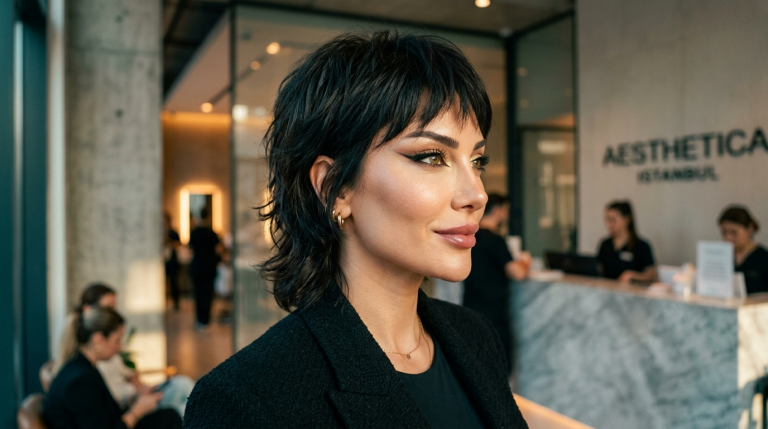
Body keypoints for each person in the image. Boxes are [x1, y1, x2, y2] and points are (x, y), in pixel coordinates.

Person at [184, 31, 528, 428]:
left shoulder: (475, 337)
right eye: (432, 157)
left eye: (477, 161)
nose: (477, 194)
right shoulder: (247, 399)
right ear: (335, 187)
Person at [66, 283, 195, 417]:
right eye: (109, 308)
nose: (114, 312)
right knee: (186, 410)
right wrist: (136, 408)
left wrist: (141, 390)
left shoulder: (104, 355)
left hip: (135, 399)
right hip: (130, 408)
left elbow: (128, 375)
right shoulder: (87, 369)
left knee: (183, 384)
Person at [44, 306, 182, 429]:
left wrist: (134, 400)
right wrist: (137, 411)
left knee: (170, 415)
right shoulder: (80, 380)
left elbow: (103, 414)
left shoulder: (82, 368)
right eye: (117, 340)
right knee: (171, 417)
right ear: (98, 339)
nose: (120, 347)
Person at [463, 193, 530, 374]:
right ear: (498, 211)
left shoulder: (470, 237)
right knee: (498, 366)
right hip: (493, 314)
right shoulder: (494, 240)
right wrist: (525, 261)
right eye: (506, 210)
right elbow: (518, 273)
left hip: (470, 308)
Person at [596, 200, 657, 283]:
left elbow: (652, 275)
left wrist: (633, 275)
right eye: (607, 220)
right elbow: (597, 268)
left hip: (632, 290)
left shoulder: (641, 246)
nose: (609, 224)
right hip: (606, 288)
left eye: (613, 220)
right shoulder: (605, 244)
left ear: (627, 220)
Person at [719, 205, 768, 295]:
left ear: (750, 229)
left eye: (734, 232)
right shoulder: (722, 257)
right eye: (724, 232)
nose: (728, 237)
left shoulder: (764, 258)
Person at [187, 207, 220, 329]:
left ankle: (199, 320)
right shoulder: (212, 233)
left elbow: (190, 249)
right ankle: (206, 320)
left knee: (198, 295)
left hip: (197, 267)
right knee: (208, 295)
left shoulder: (194, 232)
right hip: (209, 267)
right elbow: (218, 250)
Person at [163, 212, 182, 311]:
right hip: (163, 260)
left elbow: (179, 244)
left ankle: (176, 302)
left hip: (172, 261)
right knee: (163, 283)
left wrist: (170, 241)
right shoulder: (160, 233)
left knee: (174, 282)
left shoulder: (173, 233)